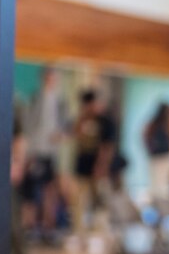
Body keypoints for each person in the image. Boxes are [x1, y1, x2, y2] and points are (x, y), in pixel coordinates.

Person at [27, 68, 67, 241]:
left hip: (51, 153)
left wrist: (61, 135)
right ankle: (32, 226)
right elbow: (30, 126)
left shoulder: (60, 102)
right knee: (33, 192)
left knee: (50, 190)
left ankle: (47, 226)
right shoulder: (36, 98)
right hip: (36, 151)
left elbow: (65, 128)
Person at [72, 88, 118, 230]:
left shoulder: (107, 121)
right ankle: (80, 229)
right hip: (83, 166)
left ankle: (100, 230)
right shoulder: (83, 119)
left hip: (99, 168)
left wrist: (101, 166)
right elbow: (77, 136)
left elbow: (107, 147)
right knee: (80, 201)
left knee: (100, 201)